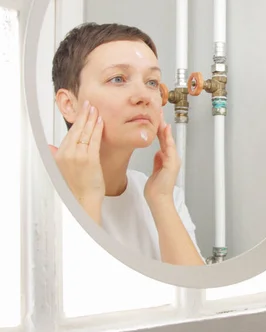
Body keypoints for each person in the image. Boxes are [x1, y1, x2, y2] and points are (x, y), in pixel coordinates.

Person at [50, 22, 205, 266]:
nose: (144, 96)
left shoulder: (165, 197)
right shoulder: (32, 197)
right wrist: (85, 198)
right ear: (69, 104)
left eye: (152, 82)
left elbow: (196, 298)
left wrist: (161, 200)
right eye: (118, 78)